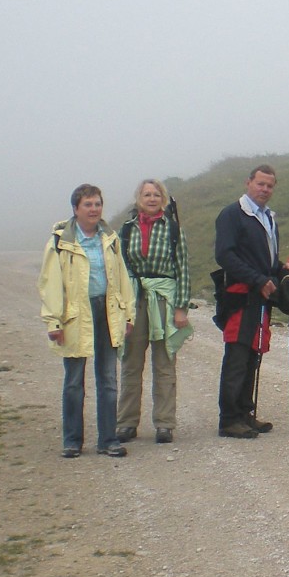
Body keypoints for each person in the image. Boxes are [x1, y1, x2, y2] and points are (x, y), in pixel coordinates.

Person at [38, 184, 135, 459]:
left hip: (107, 310)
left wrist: (128, 314)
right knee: (74, 380)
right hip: (75, 314)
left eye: (97, 204)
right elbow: (50, 283)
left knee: (108, 379)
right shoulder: (60, 241)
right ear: (75, 209)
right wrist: (53, 321)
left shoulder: (110, 238)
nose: (94, 210)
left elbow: (122, 279)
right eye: (88, 205)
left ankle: (108, 439)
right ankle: (72, 441)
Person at [213, 165, 289, 439]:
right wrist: (258, 279)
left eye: (270, 186)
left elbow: (265, 258)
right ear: (248, 182)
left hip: (261, 296)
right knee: (237, 356)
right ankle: (229, 419)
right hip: (239, 295)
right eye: (260, 184)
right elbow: (225, 255)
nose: (265, 190)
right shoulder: (232, 215)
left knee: (253, 355)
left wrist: (283, 268)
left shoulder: (268, 217)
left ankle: (245, 413)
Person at [116, 179, 193, 445]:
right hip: (135, 299)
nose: (151, 198)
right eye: (146, 194)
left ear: (163, 198)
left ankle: (164, 423)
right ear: (138, 198)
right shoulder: (126, 230)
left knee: (164, 363)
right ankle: (126, 422)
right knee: (130, 362)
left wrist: (181, 307)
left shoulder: (173, 230)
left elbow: (182, 269)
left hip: (164, 298)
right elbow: (120, 270)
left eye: (156, 194)